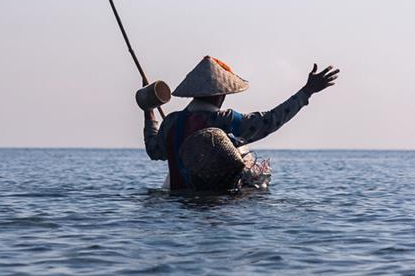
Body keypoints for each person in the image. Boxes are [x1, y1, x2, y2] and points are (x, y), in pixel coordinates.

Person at [143, 55, 339, 190]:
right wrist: (306, 92)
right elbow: (271, 120)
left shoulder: (171, 122)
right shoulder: (226, 121)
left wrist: (148, 110)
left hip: (179, 202)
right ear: (222, 94)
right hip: (218, 205)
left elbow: (154, 151)